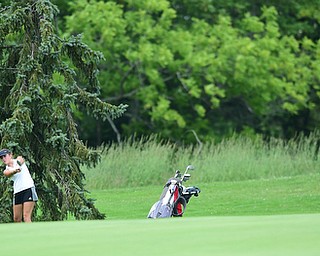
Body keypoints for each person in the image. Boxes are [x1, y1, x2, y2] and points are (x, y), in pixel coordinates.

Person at [0, 148, 38, 222]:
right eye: (1, 158)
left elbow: (20, 159)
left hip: (28, 188)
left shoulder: (17, 160)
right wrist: (15, 170)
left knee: (26, 216)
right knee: (17, 218)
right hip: (17, 192)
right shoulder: (6, 170)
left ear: (10, 155)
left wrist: (18, 163)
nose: (3, 159)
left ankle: (31, 233)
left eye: (5, 156)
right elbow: (8, 173)